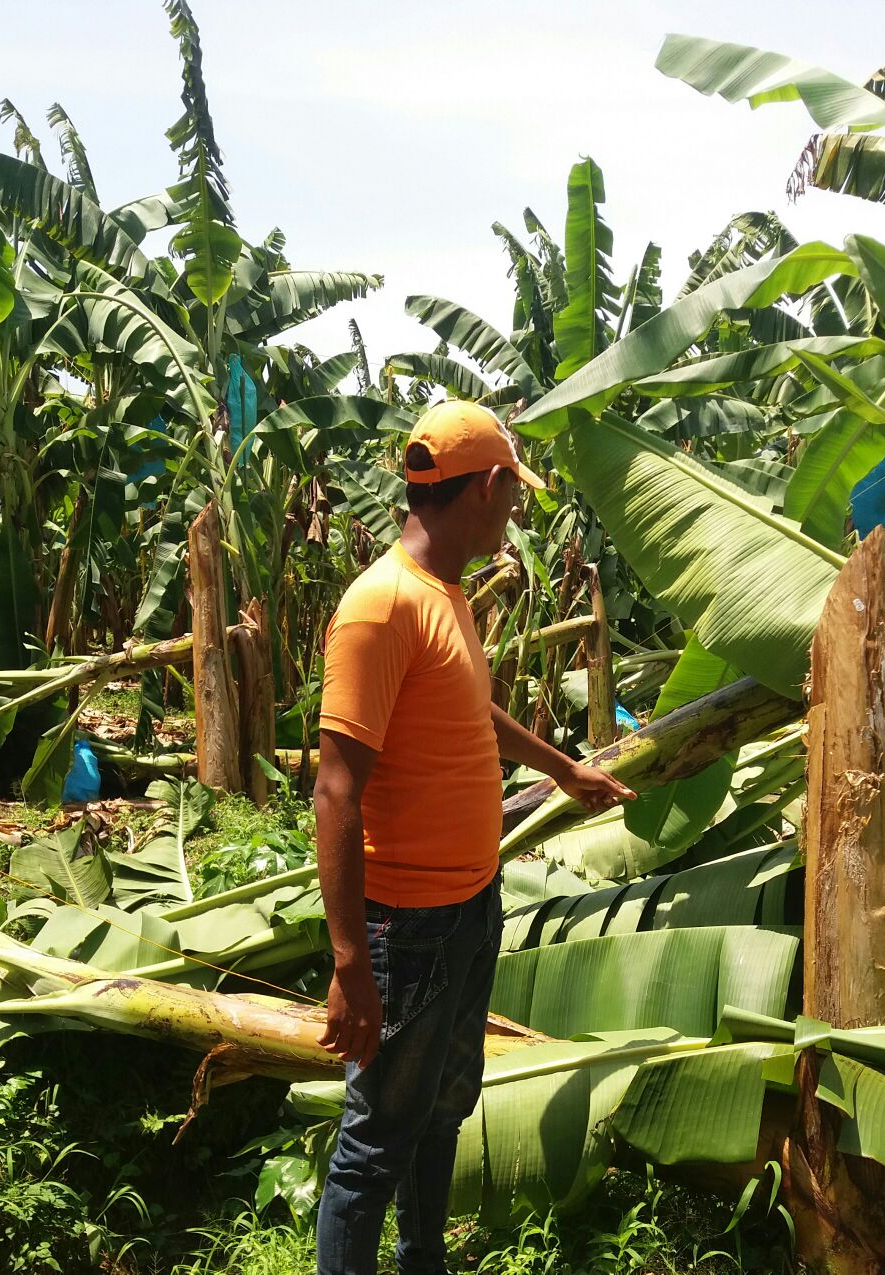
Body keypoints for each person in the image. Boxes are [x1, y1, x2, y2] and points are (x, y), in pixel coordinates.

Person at [313, 400, 636, 1275]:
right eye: (513, 494)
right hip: (404, 926)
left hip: (466, 906)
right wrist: (350, 966)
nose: (516, 514)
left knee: (444, 1105)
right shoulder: (379, 605)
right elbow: (335, 789)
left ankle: (424, 1258)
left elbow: (468, 708)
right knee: (374, 1138)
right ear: (488, 485)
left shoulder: (441, 596)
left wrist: (561, 766)